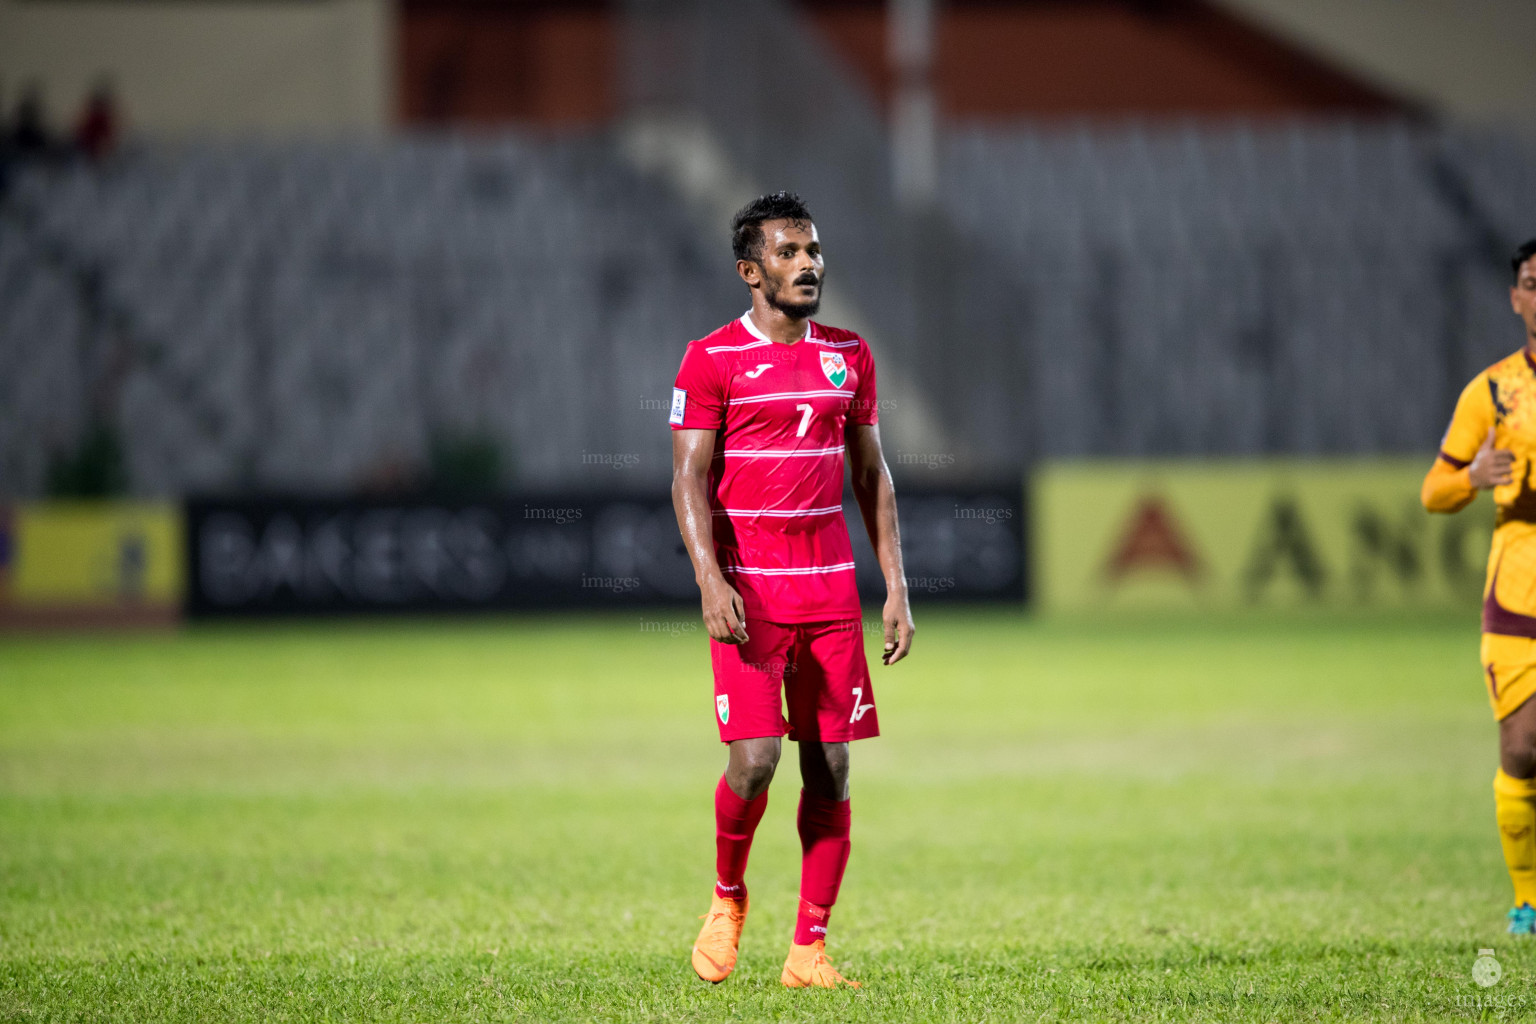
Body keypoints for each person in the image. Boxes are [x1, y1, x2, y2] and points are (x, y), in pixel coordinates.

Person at [670, 191, 915, 987]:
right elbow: (688, 479)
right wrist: (710, 581)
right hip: (752, 596)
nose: (808, 264)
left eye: (812, 250)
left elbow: (872, 475)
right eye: (787, 253)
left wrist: (896, 587)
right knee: (755, 760)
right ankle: (727, 896)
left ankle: (809, 950)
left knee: (833, 770)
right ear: (751, 270)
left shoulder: (849, 354)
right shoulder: (710, 359)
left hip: (832, 596)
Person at [1423, 237, 1536, 933]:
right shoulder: (1492, 390)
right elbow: (1434, 490)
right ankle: (1528, 900)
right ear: (1517, 297)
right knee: (1523, 749)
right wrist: (1471, 479)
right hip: (1520, 579)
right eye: (1533, 281)